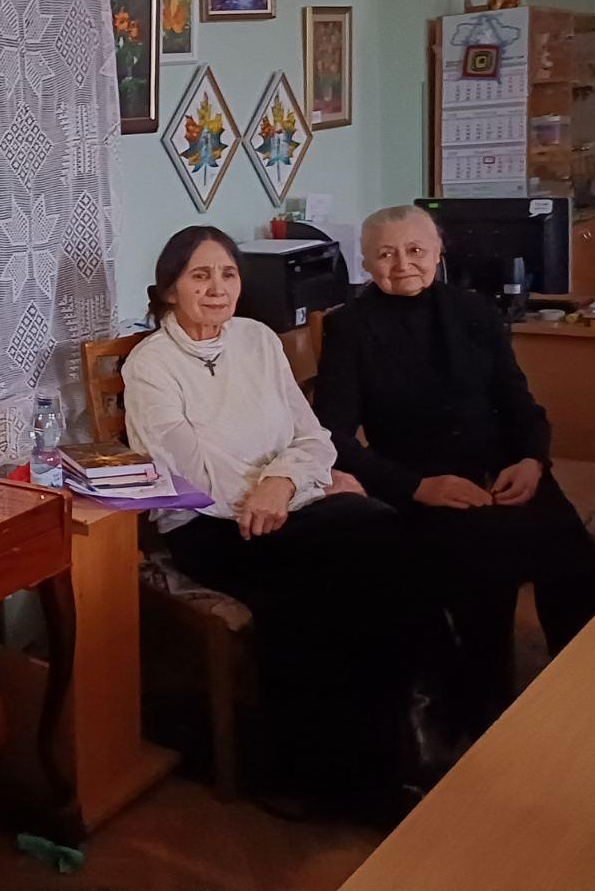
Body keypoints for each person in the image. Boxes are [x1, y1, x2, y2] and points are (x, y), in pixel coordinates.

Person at [121, 225, 412, 811]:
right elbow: (195, 477)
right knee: (359, 552)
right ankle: (355, 769)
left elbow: (313, 437)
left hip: (286, 507)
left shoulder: (257, 339)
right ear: (170, 289)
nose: (217, 288)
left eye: (228, 274)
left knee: (370, 550)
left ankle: (362, 764)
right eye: (200, 276)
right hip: (208, 528)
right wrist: (283, 488)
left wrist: (285, 484)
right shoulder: (151, 366)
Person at [315, 204, 595, 734]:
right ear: (366, 262)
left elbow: (520, 406)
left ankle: (584, 694)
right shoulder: (349, 327)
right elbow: (332, 438)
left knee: (572, 559)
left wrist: (532, 460)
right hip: (420, 483)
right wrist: (417, 487)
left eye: (415, 250)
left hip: (504, 469)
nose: (402, 264)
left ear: (438, 252)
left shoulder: (474, 312)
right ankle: (486, 719)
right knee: (482, 574)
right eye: (386, 254)